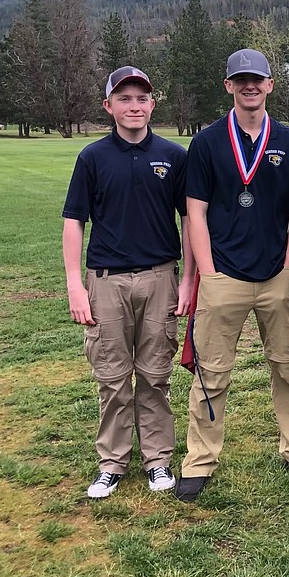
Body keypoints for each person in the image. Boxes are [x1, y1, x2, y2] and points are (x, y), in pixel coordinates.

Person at [175, 48, 289, 502]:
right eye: (240, 79)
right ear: (228, 86)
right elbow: (194, 214)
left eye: (257, 79)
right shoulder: (206, 143)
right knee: (211, 372)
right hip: (224, 277)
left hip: (276, 276)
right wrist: (209, 274)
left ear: (270, 84)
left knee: (287, 365)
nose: (249, 86)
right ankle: (199, 460)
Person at [62, 66, 193, 499]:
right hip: (106, 282)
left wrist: (189, 278)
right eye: (124, 98)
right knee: (113, 378)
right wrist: (75, 286)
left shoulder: (174, 156)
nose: (134, 106)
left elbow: (190, 219)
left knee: (155, 375)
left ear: (152, 104)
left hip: (160, 279)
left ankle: (158, 460)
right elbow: (74, 222)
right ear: (109, 107)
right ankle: (113, 463)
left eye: (141, 98)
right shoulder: (92, 158)